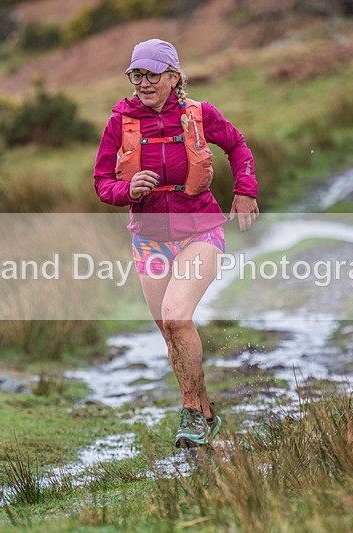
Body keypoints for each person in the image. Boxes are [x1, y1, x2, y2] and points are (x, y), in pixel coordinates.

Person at [94, 38, 259, 448]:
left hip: (200, 230)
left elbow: (237, 146)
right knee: (170, 331)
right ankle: (204, 413)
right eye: (137, 75)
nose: (144, 83)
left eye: (153, 74)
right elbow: (102, 183)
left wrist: (246, 190)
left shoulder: (200, 115)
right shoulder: (120, 122)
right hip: (149, 240)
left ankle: (188, 412)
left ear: (173, 76)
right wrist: (127, 189)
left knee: (176, 315)